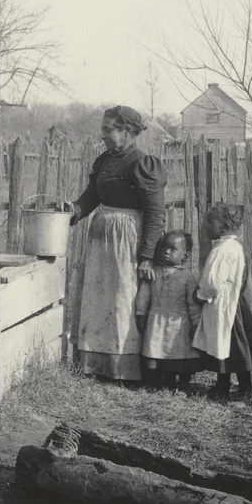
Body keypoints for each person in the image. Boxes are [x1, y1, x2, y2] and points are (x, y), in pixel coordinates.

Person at [69, 105, 167, 383]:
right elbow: (91, 196)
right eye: (102, 128)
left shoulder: (143, 164)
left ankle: (125, 369)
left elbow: (155, 214)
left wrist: (146, 255)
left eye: (107, 129)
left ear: (126, 131)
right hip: (101, 239)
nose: (102, 134)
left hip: (128, 242)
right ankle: (95, 363)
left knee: (123, 299)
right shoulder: (104, 161)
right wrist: (74, 210)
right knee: (99, 297)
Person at [192, 203, 252, 402]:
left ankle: (237, 388)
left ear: (223, 227)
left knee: (228, 346)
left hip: (225, 306)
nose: (205, 226)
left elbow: (213, 282)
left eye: (210, 222)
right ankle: (228, 384)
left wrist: (201, 295)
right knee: (229, 347)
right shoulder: (235, 246)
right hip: (234, 305)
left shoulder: (222, 250)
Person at [134, 230, 201, 390]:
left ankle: (182, 383)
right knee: (155, 348)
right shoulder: (154, 272)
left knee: (179, 351)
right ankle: (157, 381)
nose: (166, 251)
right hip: (156, 322)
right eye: (164, 247)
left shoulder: (187, 277)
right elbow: (144, 296)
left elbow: (193, 304)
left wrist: (196, 324)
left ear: (185, 256)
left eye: (172, 249)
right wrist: (140, 313)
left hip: (179, 325)